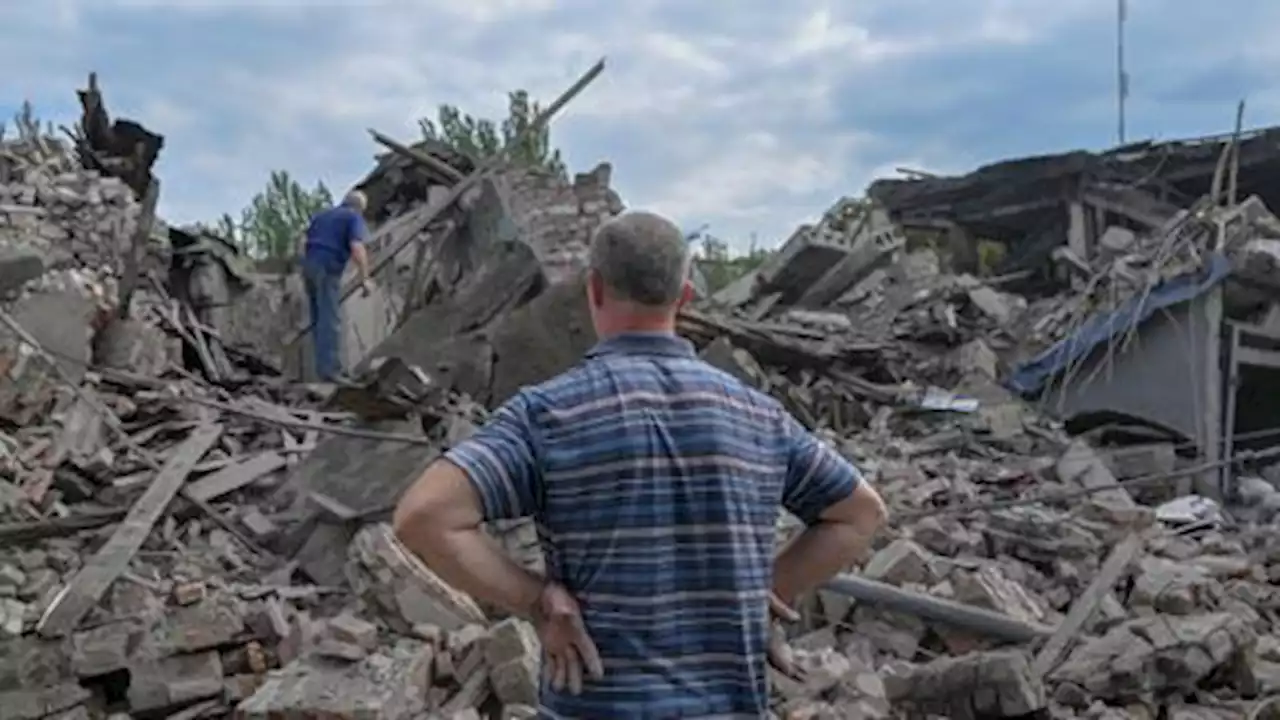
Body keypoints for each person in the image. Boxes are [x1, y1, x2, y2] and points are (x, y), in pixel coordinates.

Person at [391, 210, 887, 719]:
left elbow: (424, 515)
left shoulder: (549, 413)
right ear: (686, 297)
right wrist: (764, 591)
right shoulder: (759, 415)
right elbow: (860, 512)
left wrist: (539, 603)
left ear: (595, 291)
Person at [299, 190, 372, 382]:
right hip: (327, 268)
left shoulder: (321, 216)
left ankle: (323, 370)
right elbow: (357, 247)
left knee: (318, 320)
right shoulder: (353, 217)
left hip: (309, 266)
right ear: (359, 208)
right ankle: (332, 371)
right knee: (330, 319)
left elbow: (302, 242)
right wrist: (365, 279)